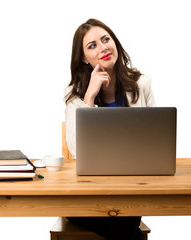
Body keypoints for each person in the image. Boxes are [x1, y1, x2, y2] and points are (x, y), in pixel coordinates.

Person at [64, 18, 155, 240]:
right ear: (84, 59)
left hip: (131, 188)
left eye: (106, 39)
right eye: (92, 45)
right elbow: (76, 150)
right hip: (87, 193)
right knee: (125, 228)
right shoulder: (75, 96)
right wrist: (90, 97)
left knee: (125, 220)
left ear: (115, 43)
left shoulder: (141, 84)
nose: (103, 47)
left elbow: (154, 137)